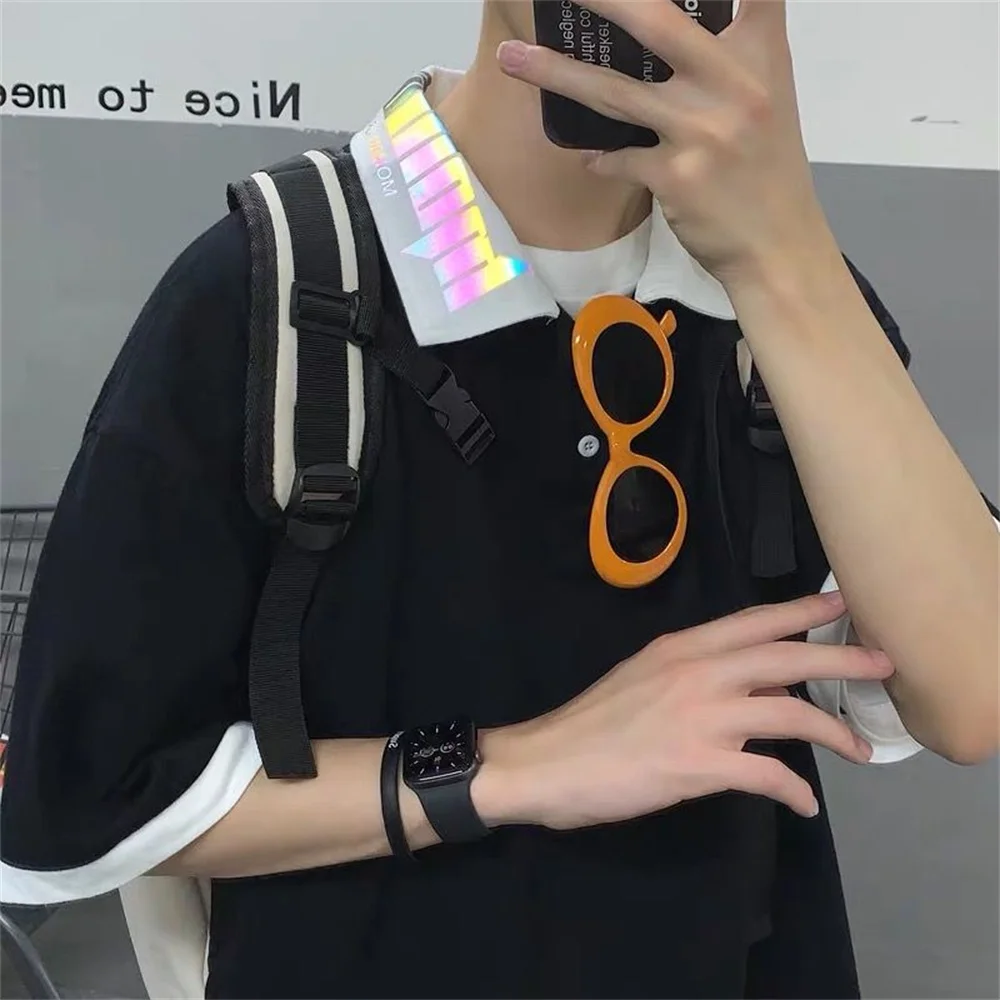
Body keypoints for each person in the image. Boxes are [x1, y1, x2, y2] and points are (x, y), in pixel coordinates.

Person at [1, 1, 997, 998]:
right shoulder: (280, 288)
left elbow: (969, 700)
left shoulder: (781, 302)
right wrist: (513, 766)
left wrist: (783, 248)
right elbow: (91, 800)